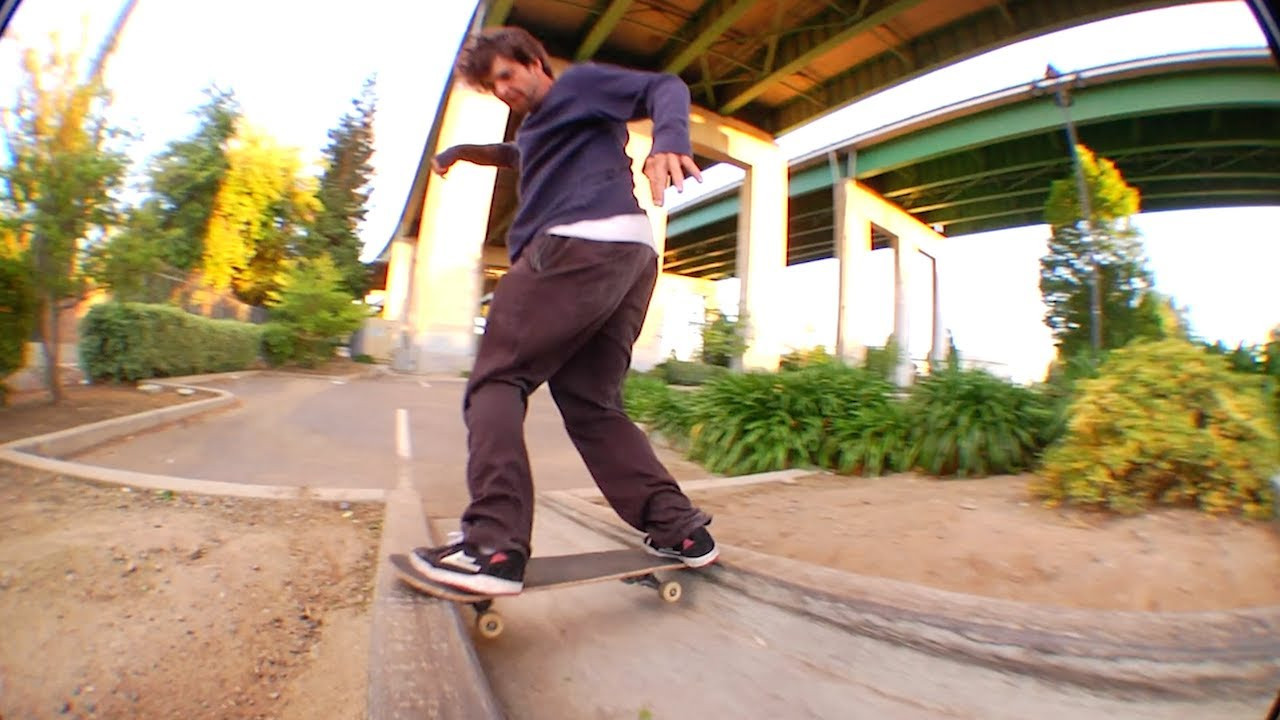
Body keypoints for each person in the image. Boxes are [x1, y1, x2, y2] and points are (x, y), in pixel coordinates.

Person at [409, 26, 719, 596]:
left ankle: (492, 546)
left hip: (574, 246)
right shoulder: (543, 129)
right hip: (629, 256)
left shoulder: (578, 85)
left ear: (535, 62)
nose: (503, 91)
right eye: (491, 86)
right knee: (592, 403)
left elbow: (665, 87)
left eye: (507, 75)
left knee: (497, 382)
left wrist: (669, 140)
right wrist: (464, 153)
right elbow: (518, 152)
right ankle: (678, 529)